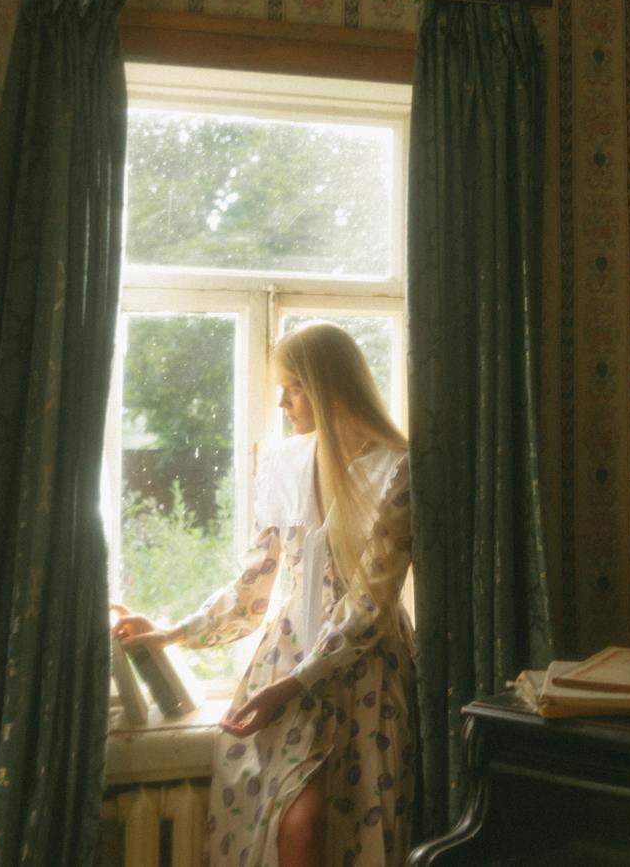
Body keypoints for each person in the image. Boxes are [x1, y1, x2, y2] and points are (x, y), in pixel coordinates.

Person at [114, 322, 414, 867]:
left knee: (340, 828)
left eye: (293, 387)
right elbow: (255, 585)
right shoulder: (284, 463)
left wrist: (296, 683)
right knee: (290, 827)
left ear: (330, 387)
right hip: (287, 659)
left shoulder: (395, 470)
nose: (282, 401)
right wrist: (176, 633)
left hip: (362, 670)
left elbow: (369, 604)